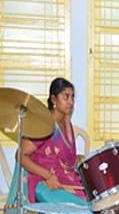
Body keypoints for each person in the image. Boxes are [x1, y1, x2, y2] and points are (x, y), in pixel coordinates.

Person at [11, 77, 87, 206]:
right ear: (53, 99)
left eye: (72, 97)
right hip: (44, 182)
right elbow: (20, 155)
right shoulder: (43, 125)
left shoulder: (67, 123)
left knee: (96, 198)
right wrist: (47, 176)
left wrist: (78, 159)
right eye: (66, 97)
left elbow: (62, 158)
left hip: (66, 179)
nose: (71, 102)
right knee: (83, 205)